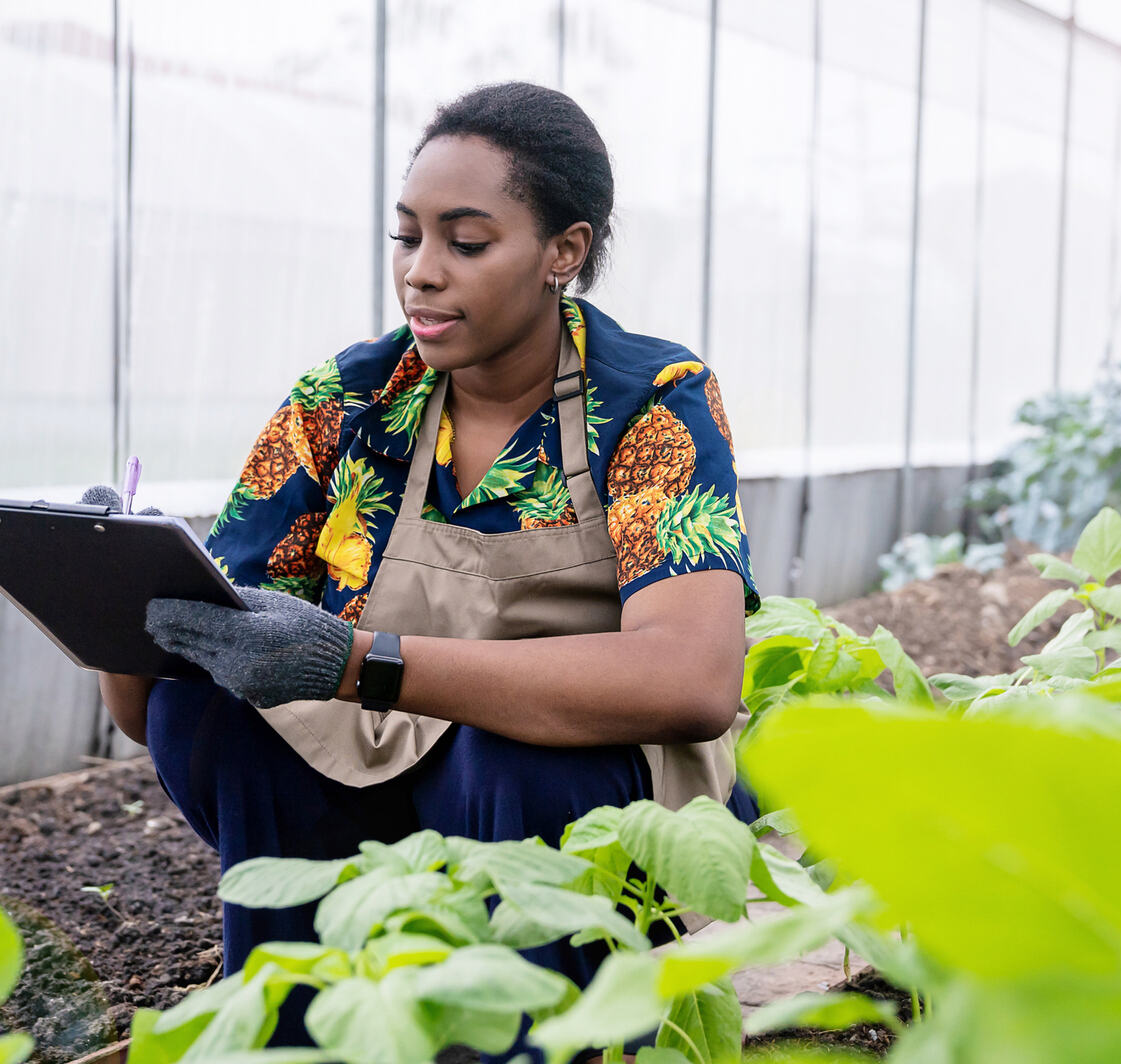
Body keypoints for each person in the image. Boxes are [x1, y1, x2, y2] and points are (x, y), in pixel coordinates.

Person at [95, 81, 759, 1057]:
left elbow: (694, 681)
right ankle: (297, 1026)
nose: (423, 273)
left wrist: (355, 660)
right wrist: (125, 609)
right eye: (408, 237)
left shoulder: (648, 404)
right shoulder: (352, 399)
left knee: (511, 756)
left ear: (562, 253)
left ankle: (539, 1033)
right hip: (378, 781)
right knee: (211, 711)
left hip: (573, 803)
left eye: (467, 240)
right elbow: (158, 705)